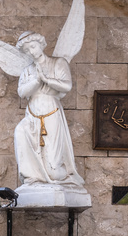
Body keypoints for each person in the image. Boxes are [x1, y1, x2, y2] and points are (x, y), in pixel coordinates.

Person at [13, 31, 84, 189]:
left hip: (51, 113)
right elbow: (22, 92)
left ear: (41, 45)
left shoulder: (58, 63)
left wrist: (46, 79)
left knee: (53, 170)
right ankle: (31, 177)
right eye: (27, 50)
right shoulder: (27, 71)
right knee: (19, 131)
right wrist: (37, 80)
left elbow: (67, 85)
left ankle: (60, 175)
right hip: (32, 115)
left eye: (33, 46)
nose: (32, 51)